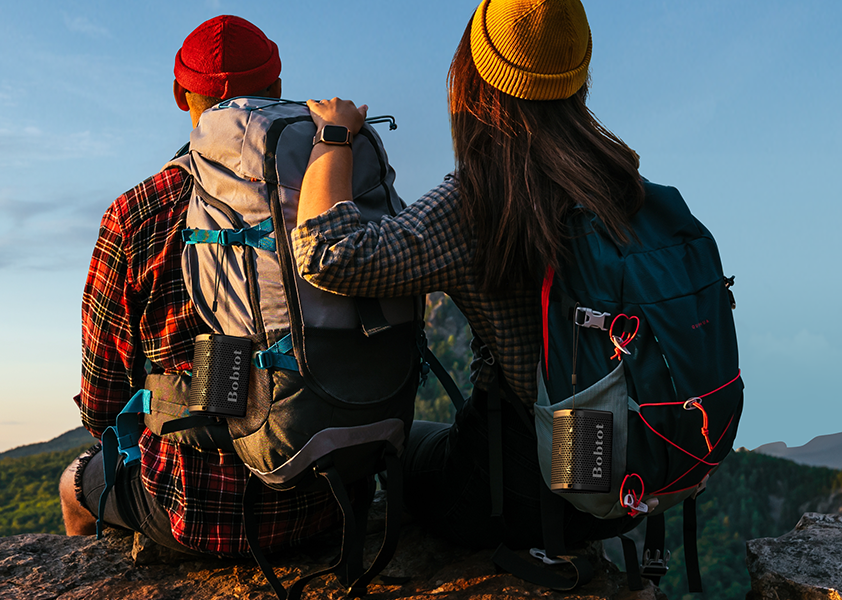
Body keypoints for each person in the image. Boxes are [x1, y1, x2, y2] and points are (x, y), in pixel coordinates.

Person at [290, 0, 644, 549]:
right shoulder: (622, 179)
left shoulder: (484, 196)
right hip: (623, 478)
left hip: (523, 489)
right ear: (578, 74)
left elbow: (327, 253)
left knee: (397, 445)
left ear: (474, 77)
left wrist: (334, 136)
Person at [58, 15, 342, 556]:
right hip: (330, 491)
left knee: (74, 486)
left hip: (197, 510)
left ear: (178, 94)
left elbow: (102, 406)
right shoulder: (332, 187)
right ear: (278, 87)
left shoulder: (137, 213)